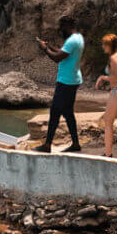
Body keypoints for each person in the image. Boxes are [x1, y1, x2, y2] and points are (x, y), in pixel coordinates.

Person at [35, 15, 84, 153]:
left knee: (55, 112)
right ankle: (75, 144)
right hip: (73, 80)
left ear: (67, 26)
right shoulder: (78, 38)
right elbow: (63, 52)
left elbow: (57, 58)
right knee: (68, 113)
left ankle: (47, 145)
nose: (60, 30)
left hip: (66, 81)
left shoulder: (71, 41)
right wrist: (49, 46)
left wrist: (45, 49)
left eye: (62, 27)